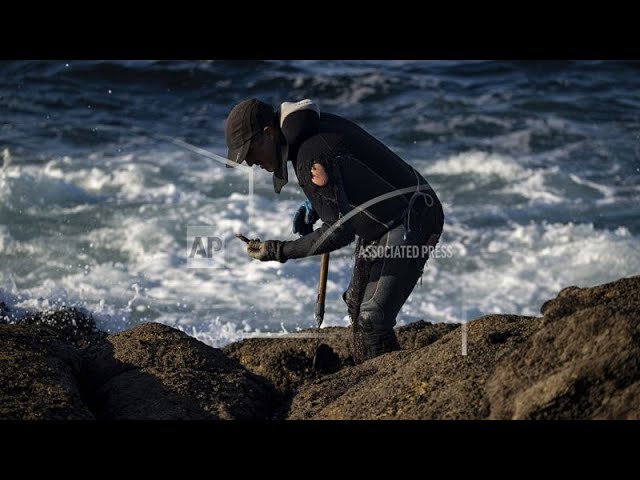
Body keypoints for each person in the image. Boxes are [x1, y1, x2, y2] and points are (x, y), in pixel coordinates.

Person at [225, 98, 444, 364]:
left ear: (269, 133)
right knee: (355, 304)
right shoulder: (307, 131)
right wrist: (321, 203)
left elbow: (339, 232)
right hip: (383, 218)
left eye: (249, 151)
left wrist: (279, 250)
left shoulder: (311, 154)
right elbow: (354, 171)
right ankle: (372, 377)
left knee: (372, 319)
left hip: (412, 219)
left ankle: (390, 389)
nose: (249, 162)